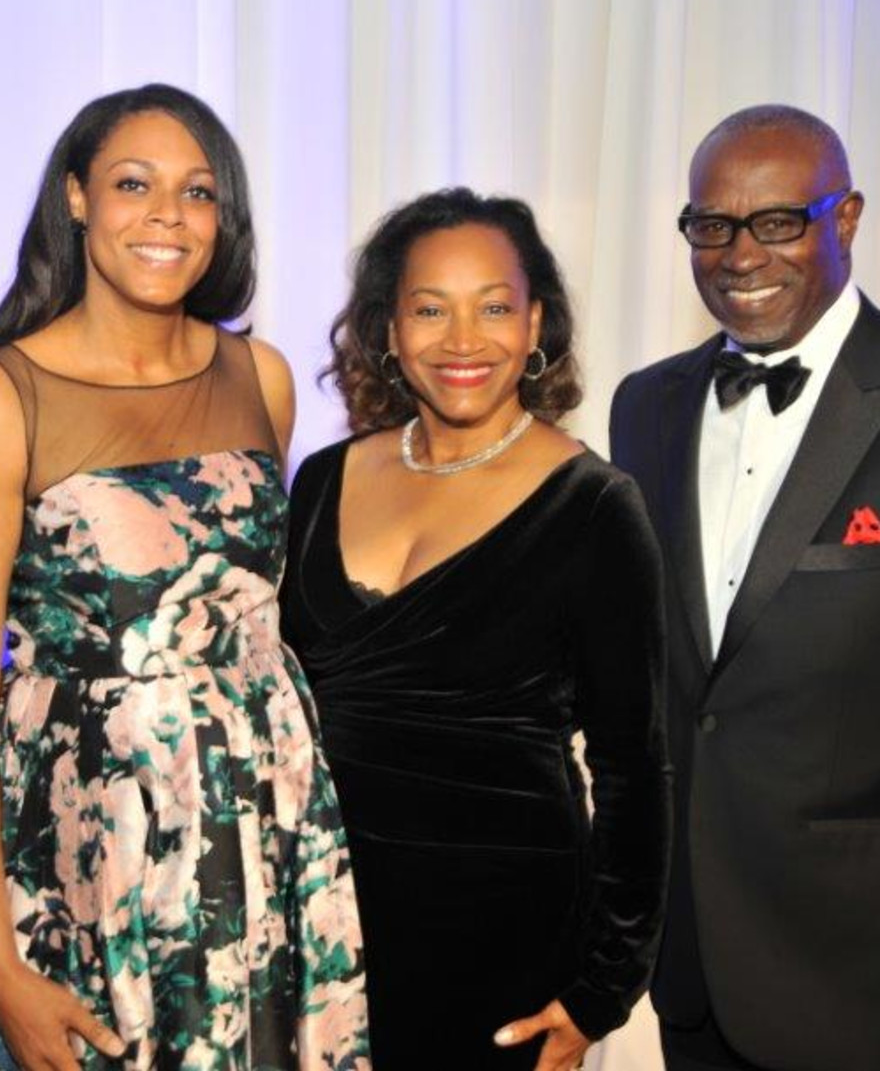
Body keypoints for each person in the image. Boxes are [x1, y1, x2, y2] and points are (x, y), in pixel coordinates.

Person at [0, 83, 369, 1071]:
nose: (167, 215)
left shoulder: (262, 377)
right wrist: (0, 963)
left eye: (198, 193)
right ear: (75, 198)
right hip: (78, 854)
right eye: (132, 183)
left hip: (254, 835)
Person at [280, 187, 670, 1071]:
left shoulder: (596, 507)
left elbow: (636, 769)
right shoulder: (321, 479)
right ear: (387, 327)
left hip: (503, 943)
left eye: (495, 307)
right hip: (316, 924)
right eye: (430, 309)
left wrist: (600, 992)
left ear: (537, 326)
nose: (463, 341)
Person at [610, 104, 879, 1071]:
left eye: (777, 223)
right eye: (711, 225)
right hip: (695, 964)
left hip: (856, 964)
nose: (739, 254)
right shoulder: (645, 405)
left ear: (843, 220)